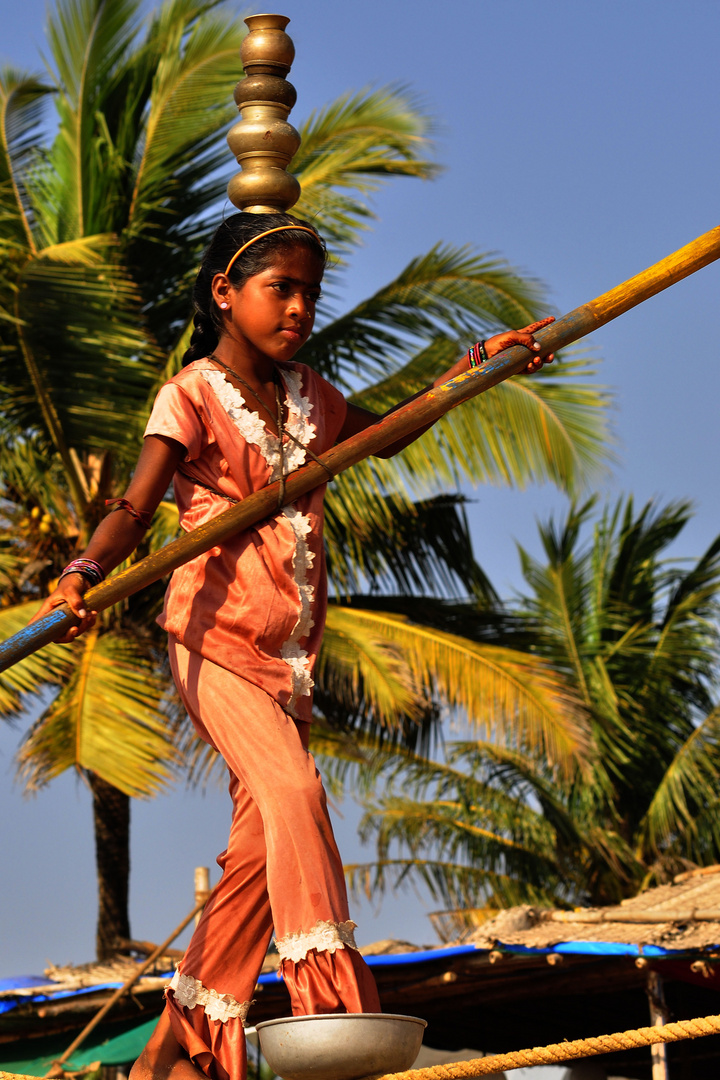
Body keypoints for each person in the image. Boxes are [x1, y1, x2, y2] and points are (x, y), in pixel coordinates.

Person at [34, 212, 553, 1080]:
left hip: (290, 659)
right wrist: (84, 568)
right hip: (212, 642)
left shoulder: (313, 397)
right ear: (225, 293)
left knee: (254, 854)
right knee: (293, 790)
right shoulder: (191, 395)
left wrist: (473, 372)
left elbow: (397, 426)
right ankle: (334, 1006)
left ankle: (178, 1051)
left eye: (311, 291)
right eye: (282, 289)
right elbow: (134, 507)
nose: (301, 308)